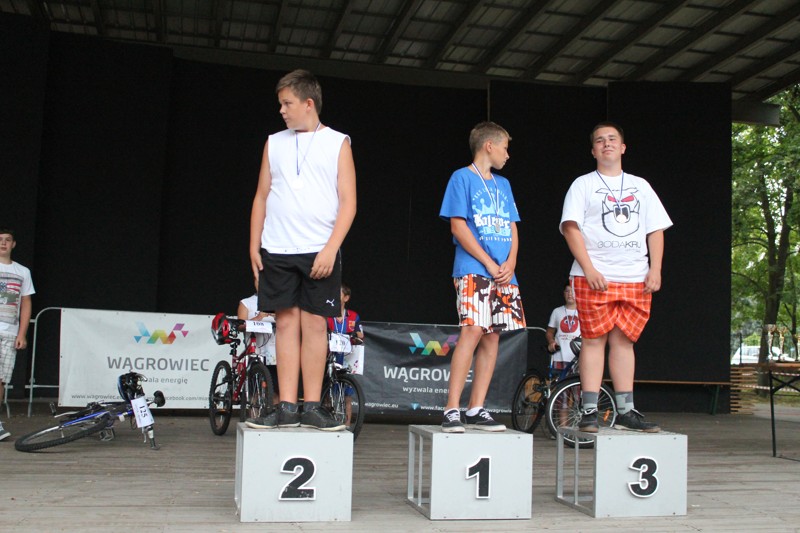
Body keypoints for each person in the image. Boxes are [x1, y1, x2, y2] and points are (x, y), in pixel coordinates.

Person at [245, 69, 357, 431]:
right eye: (280, 104)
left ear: (308, 103)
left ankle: (312, 406)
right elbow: (261, 196)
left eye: (287, 103)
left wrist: (331, 249)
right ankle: (287, 406)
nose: (281, 110)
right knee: (285, 324)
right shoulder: (273, 142)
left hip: (318, 250)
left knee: (314, 324)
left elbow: (349, 202)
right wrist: (254, 245)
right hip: (276, 247)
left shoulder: (338, 142)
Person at [560, 121, 672, 433]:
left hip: (635, 276)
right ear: (593, 150)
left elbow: (655, 229)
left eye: (612, 139)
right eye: (600, 140)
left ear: (623, 147)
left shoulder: (641, 186)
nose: (606, 143)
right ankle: (589, 411)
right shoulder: (582, 185)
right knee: (593, 340)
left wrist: (656, 269)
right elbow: (570, 227)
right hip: (594, 275)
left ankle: (625, 411)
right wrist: (589, 268)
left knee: (624, 342)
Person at [438, 121, 526, 433]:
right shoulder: (461, 177)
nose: (507, 154)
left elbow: (513, 226)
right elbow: (458, 226)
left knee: (493, 335)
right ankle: (452, 409)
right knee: (473, 330)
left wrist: (511, 261)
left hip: (503, 274)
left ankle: (476, 408)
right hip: (474, 269)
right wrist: (488, 262)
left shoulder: (504, 184)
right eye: (505, 147)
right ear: (489, 146)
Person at [0, 228, 35, 441]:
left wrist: (22, 334)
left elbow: (26, 303)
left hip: (9, 332)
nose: (3, 243)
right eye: (0, 240)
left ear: (13, 244)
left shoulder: (22, 271)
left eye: (7, 240)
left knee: (1, 379)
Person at [326, 283, 364, 425]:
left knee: (347, 395)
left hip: (346, 357)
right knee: (327, 391)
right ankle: (327, 421)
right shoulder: (327, 314)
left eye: (338, 294)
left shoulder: (353, 316)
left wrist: (354, 335)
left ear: (346, 298)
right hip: (329, 357)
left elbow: (360, 335)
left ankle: (347, 426)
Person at [238, 288, 279, 405]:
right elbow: (240, 326)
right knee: (255, 394)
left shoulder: (278, 302)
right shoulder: (246, 302)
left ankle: (276, 415)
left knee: (276, 393)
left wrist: (277, 317)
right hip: (255, 353)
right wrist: (258, 317)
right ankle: (253, 415)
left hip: (275, 355)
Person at [546, 282, 580, 373]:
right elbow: (549, 332)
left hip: (577, 358)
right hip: (559, 357)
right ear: (563, 294)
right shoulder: (557, 311)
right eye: (567, 291)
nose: (570, 294)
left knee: (577, 381)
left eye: (573, 291)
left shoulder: (583, 312)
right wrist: (551, 342)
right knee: (558, 381)